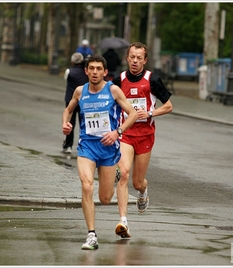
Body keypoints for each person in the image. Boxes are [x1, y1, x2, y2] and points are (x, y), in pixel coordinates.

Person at [62, 55, 137, 250]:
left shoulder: (113, 90)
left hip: (108, 148)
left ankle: (115, 174)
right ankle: (91, 235)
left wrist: (117, 132)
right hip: (87, 146)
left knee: (105, 198)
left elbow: (133, 114)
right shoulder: (80, 91)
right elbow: (68, 109)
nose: (95, 72)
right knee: (87, 186)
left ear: (105, 72)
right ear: (86, 71)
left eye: (98, 69)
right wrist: (65, 124)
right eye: (91, 68)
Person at [112, 42, 173, 238]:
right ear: (127, 58)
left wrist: (148, 113)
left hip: (145, 135)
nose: (135, 61)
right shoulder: (118, 80)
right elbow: (109, 103)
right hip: (126, 134)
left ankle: (142, 191)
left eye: (139, 58)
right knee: (123, 174)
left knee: (137, 182)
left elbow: (169, 106)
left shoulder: (152, 80)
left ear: (145, 60)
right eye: (132, 57)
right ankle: (123, 222)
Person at [62, 52, 89, 154]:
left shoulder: (69, 71)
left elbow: (66, 79)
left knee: (70, 123)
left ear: (72, 61)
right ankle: (83, 145)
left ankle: (68, 146)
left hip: (70, 99)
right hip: (84, 100)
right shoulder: (85, 72)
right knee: (83, 124)